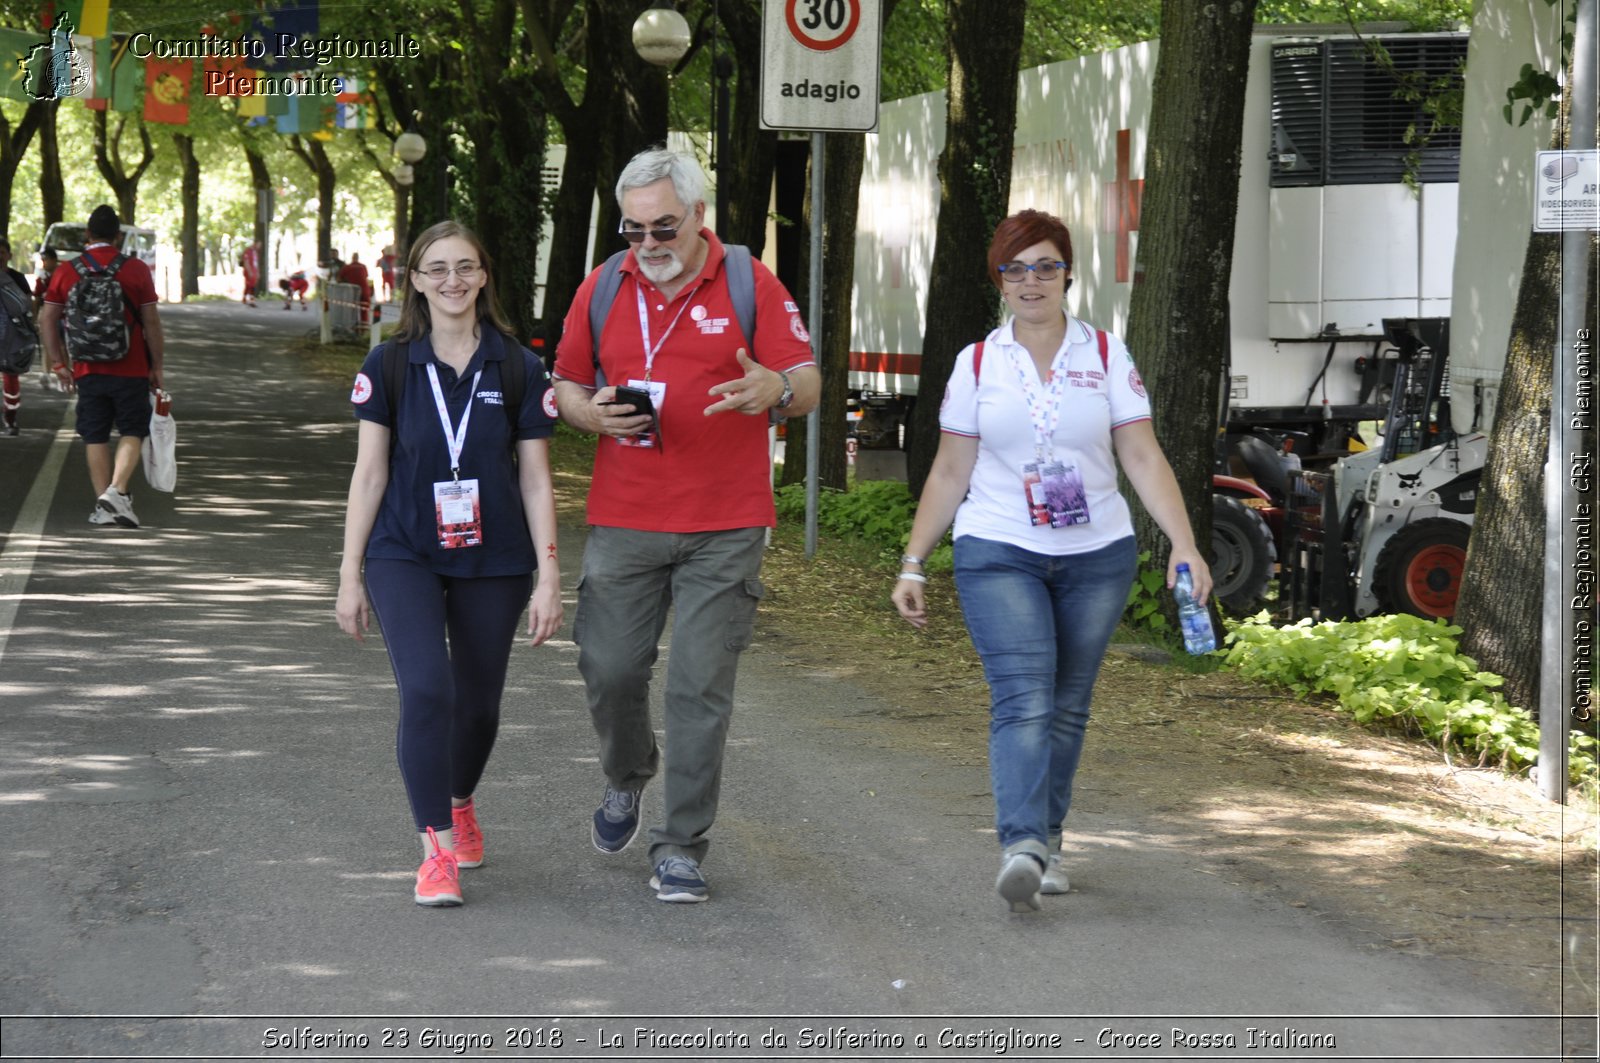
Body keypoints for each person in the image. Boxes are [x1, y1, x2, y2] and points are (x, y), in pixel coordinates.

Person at [890, 209, 1213, 913]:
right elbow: (950, 470)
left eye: (1045, 265)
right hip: (999, 547)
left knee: (1067, 707)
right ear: (998, 280)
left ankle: (1050, 840)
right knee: (1026, 697)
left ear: (1068, 273)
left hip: (1097, 553)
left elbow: (1140, 453)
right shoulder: (977, 362)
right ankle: (1022, 846)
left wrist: (1183, 544)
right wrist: (914, 561)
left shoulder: (1107, 356)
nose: (1030, 280)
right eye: (1015, 268)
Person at [552, 146, 820, 904]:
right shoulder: (605, 285)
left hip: (726, 523)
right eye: (632, 230)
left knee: (700, 687)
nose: (648, 246)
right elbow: (567, 381)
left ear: (699, 215)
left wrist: (776, 388)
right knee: (609, 669)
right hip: (626, 517)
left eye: (662, 228)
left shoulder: (747, 280)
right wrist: (586, 412)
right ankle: (626, 775)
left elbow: (806, 381)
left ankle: (680, 844)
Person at [335, 220, 563, 908]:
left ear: (484, 276)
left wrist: (550, 576)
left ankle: (460, 798)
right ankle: (436, 850)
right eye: (437, 269)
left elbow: (535, 479)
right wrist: (349, 574)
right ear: (415, 281)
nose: (452, 280)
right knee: (428, 691)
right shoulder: (390, 364)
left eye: (465, 267)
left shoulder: (519, 366)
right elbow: (369, 475)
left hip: (495, 557)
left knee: (481, 708)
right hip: (403, 549)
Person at [38, 205, 164, 527]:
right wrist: (157, 366)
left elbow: (47, 318)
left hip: (87, 369)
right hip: (132, 366)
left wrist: (58, 363)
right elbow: (151, 322)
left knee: (94, 435)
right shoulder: (136, 270)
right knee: (133, 430)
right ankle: (117, 492)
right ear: (118, 237)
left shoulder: (68, 271)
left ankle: (104, 507)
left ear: (87, 235)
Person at [1, 236, 31, 435]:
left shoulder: (18, 279)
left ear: (9, 255)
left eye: (1, 253)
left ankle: (10, 418)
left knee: (11, 377)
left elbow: (28, 305)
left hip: (11, 338)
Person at [338, 251, 373, 324]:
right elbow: (365, 277)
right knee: (364, 310)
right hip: (364, 291)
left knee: (353, 310)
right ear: (358, 258)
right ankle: (364, 327)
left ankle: (355, 327)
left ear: (352, 258)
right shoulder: (363, 266)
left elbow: (339, 279)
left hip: (353, 291)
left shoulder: (347, 267)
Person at [240, 241, 260, 307]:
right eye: (258, 245)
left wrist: (257, 272)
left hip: (254, 272)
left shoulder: (255, 253)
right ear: (255, 244)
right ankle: (251, 301)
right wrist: (249, 271)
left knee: (250, 286)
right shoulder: (248, 251)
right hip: (249, 272)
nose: (259, 247)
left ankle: (244, 298)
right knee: (251, 286)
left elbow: (256, 264)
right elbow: (246, 262)